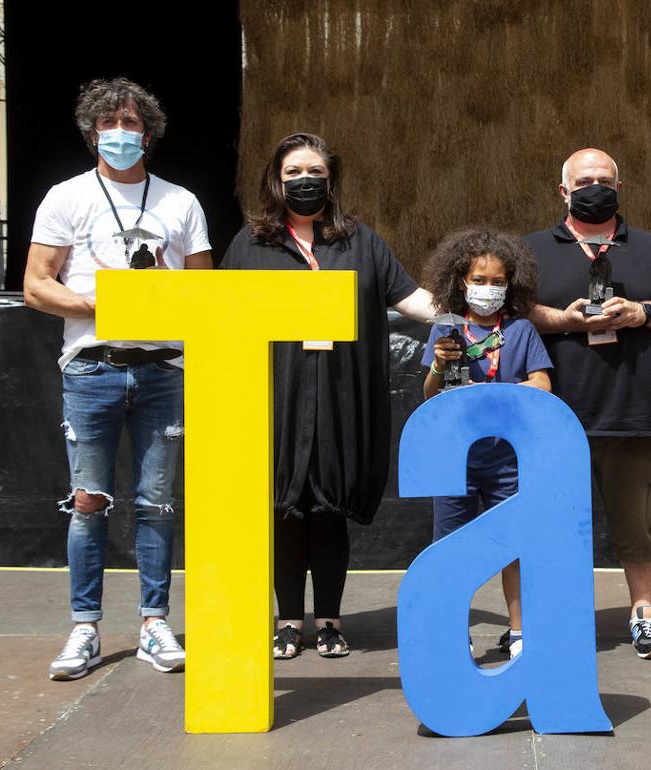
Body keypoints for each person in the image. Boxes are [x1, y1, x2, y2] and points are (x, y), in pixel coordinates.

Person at [23, 77, 212, 680]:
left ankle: (154, 621)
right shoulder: (66, 197)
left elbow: (204, 291)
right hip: (92, 368)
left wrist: (159, 289)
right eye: (111, 125)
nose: (122, 135)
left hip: (162, 370)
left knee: (157, 503)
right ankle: (85, 626)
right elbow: (35, 285)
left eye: (132, 125)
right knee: (88, 502)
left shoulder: (180, 202)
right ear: (91, 133)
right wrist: (105, 304)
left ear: (149, 134)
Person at [221, 133, 435, 659]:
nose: (304, 180)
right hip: (278, 396)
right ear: (276, 180)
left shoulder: (360, 241)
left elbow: (411, 299)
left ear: (331, 178)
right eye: (292, 172)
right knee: (285, 509)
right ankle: (289, 621)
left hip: (342, 394)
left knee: (329, 509)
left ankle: (331, 622)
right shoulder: (250, 245)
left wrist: (473, 316)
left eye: (314, 170)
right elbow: (219, 314)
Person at [527, 148, 651, 659]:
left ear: (620, 188)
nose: (594, 187)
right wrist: (565, 321)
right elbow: (513, 311)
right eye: (584, 181)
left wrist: (642, 312)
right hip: (553, 417)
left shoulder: (649, 249)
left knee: (640, 526)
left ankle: (644, 614)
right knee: (552, 527)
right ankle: (547, 619)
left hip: (631, 417)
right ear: (563, 191)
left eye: (604, 179)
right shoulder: (535, 249)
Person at [419, 227, 553, 660]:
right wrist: (440, 365)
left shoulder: (521, 330)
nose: (488, 289)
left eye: (497, 282)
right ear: (461, 281)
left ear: (510, 283)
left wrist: (501, 393)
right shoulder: (446, 332)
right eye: (480, 280)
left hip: (508, 458)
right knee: (450, 549)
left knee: (515, 545)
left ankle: (519, 632)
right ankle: (453, 633)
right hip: (454, 458)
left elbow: (543, 386)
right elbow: (428, 394)